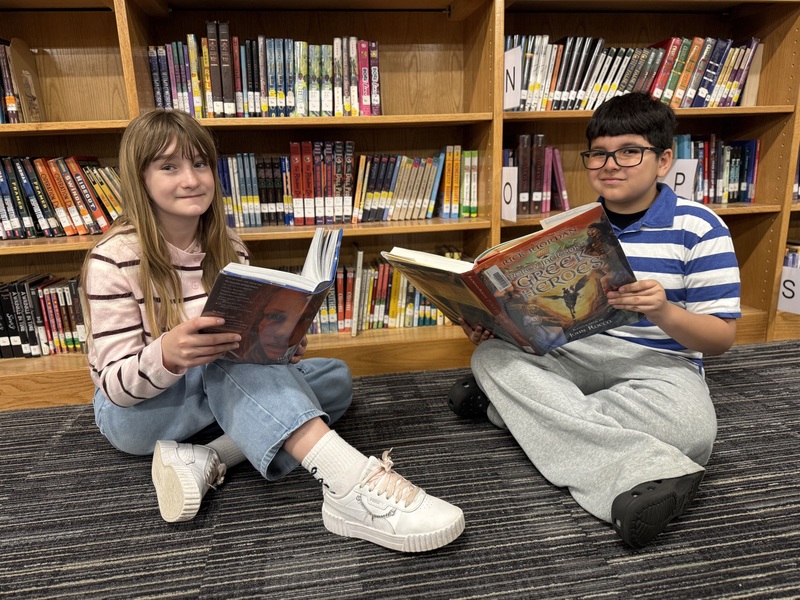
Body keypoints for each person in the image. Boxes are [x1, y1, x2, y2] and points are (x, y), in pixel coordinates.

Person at [81, 109, 464, 553]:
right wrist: (170, 352)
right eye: (169, 166)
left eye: (200, 164)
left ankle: (210, 458)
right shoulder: (112, 259)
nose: (191, 179)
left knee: (334, 377)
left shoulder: (229, 246)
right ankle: (351, 487)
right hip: (141, 412)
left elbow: (246, 342)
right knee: (231, 361)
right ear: (139, 178)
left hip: (218, 395)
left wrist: (280, 343)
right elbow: (114, 386)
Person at [449, 92, 741, 548]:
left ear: (663, 160)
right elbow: (541, 315)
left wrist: (663, 310)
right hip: (575, 349)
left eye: (629, 152)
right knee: (490, 355)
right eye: (598, 154)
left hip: (659, 363)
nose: (611, 164)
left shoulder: (700, 228)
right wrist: (497, 322)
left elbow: (721, 338)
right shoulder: (569, 230)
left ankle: (508, 409)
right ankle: (642, 471)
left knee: (692, 432)